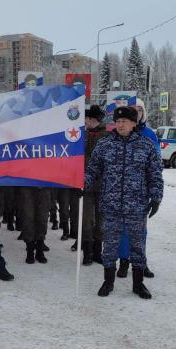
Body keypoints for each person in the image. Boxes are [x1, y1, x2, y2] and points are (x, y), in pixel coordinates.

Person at [85, 106, 163, 299]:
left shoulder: (146, 146)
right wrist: (81, 184)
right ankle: (108, 282)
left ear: (134, 124)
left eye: (124, 122)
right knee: (110, 245)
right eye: (118, 121)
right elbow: (92, 169)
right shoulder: (105, 144)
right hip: (111, 204)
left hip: (137, 205)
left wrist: (156, 197)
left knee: (137, 246)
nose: (120, 125)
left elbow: (155, 174)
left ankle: (138, 284)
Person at [117, 98, 162, 278]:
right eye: (134, 110)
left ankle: (140, 262)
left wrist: (155, 194)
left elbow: (156, 166)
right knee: (122, 230)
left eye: (140, 111)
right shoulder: (117, 135)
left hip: (140, 192)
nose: (137, 113)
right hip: (119, 191)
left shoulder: (149, 135)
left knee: (140, 230)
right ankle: (123, 261)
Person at [74, 105, 107, 265]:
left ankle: (97, 252)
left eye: (86, 118)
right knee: (86, 220)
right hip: (85, 186)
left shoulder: (107, 136)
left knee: (101, 221)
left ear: (92, 119)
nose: (84, 120)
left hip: (103, 186)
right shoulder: (81, 135)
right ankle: (87, 252)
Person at [16, 187, 51, 264]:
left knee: (42, 219)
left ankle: (39, 250)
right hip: (27, 185)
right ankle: (30, 251)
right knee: (28, 219)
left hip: (44, 185)